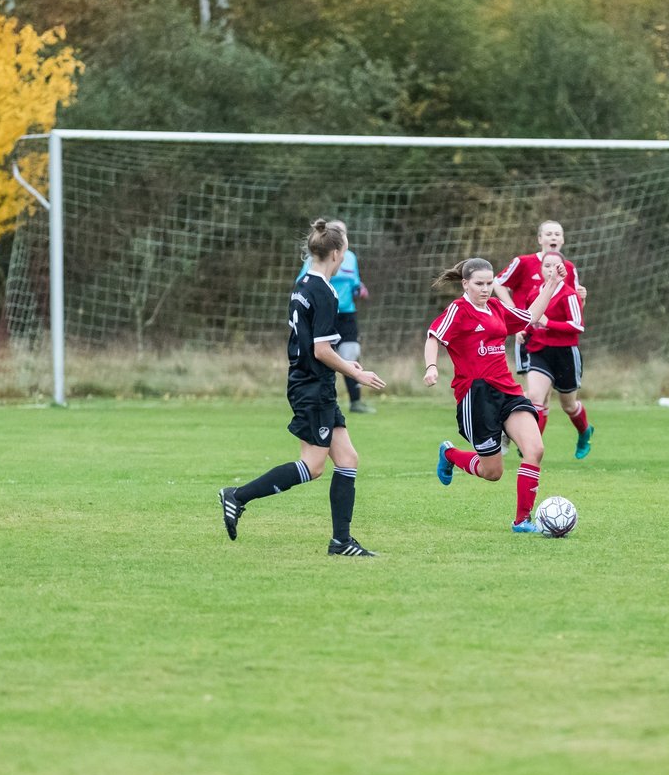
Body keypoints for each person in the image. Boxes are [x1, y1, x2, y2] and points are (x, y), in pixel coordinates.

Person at [219, 219, 387, 555]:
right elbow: (320, 350)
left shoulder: (303, 284)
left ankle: (341, 542)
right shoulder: (324, 292)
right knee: (313, 465)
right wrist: (356, 374)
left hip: (313, 381)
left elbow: (318, 344)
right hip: (312, 385)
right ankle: (237, 496)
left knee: (348, 459)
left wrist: (344, 364)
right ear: (337, 253)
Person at [424, 255, 564, 533]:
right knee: (493, 472)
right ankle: (450, 454)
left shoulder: (497, 308)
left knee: (535, 449)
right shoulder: (458, 310)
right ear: (465, 284)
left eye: (489, 283)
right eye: (479, 284)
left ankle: (522, 521)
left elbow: (531, 317)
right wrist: (431, 367)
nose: (485, 289)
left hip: (508, 391)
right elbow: (433, 337)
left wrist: (551, 283)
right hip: (477, 397)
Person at [297, 219, 373, 413]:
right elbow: (321, 351)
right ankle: (327, 394)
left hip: (346, 313)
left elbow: (355, 281)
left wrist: (359, 289)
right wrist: (358, 375)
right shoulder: (318, 286)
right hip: (328, 313)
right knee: (326, 355)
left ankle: (354, 401)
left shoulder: (351, 258)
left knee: (349, 354)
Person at [523, 251, 594, 459]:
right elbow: (530, 318)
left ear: (563, 271)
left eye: (556, 266)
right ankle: (532, 445)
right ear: (540, 269)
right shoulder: (533, 293)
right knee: (536, 397)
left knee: (568, 405)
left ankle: (584, 432)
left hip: (565, 355)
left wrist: (548, 323)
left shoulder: (569, 294)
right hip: (539, 352)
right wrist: (523, 331)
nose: (551, 269)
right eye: (546, 266)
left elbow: (577, 326)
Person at [493, 220, 585, 375]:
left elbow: (576, 309)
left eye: (557, 234)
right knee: (536, 386)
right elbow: (497, 282)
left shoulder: (568, 267)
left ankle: (570, 400)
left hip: (557, 337)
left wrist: (583, 298)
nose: (553, 238)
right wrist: (514, 310)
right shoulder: (523, 262)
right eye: (548, 234)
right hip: (529, 331)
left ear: (562, 239)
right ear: (540, 239)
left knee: (555, 390)